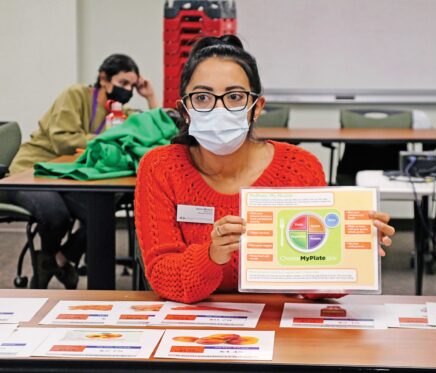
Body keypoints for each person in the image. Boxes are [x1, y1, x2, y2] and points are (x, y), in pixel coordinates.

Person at [135, 36, 395, 304]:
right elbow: (164, 277)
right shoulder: (161, 167)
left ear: (256, 108)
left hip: (277, 323)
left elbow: (318, 287)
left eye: (235, 97)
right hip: (193, 326)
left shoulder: (299, 168)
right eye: (202, 97)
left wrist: (353, 252)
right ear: (185, 110)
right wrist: (211, 255)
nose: (219, 108)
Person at [10, 54, 159, 289]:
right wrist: (105, 139)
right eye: (123, 83)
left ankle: (54, 261)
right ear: (103, 78)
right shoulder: (76, 95)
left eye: (132, 85)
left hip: (69, 177)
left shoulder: (120, 112)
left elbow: (153, 129)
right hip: (33, 172)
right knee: (55, 214)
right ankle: (52, 261)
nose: (128, 90)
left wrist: (150, 96)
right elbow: (62, 141)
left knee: (100, 215)